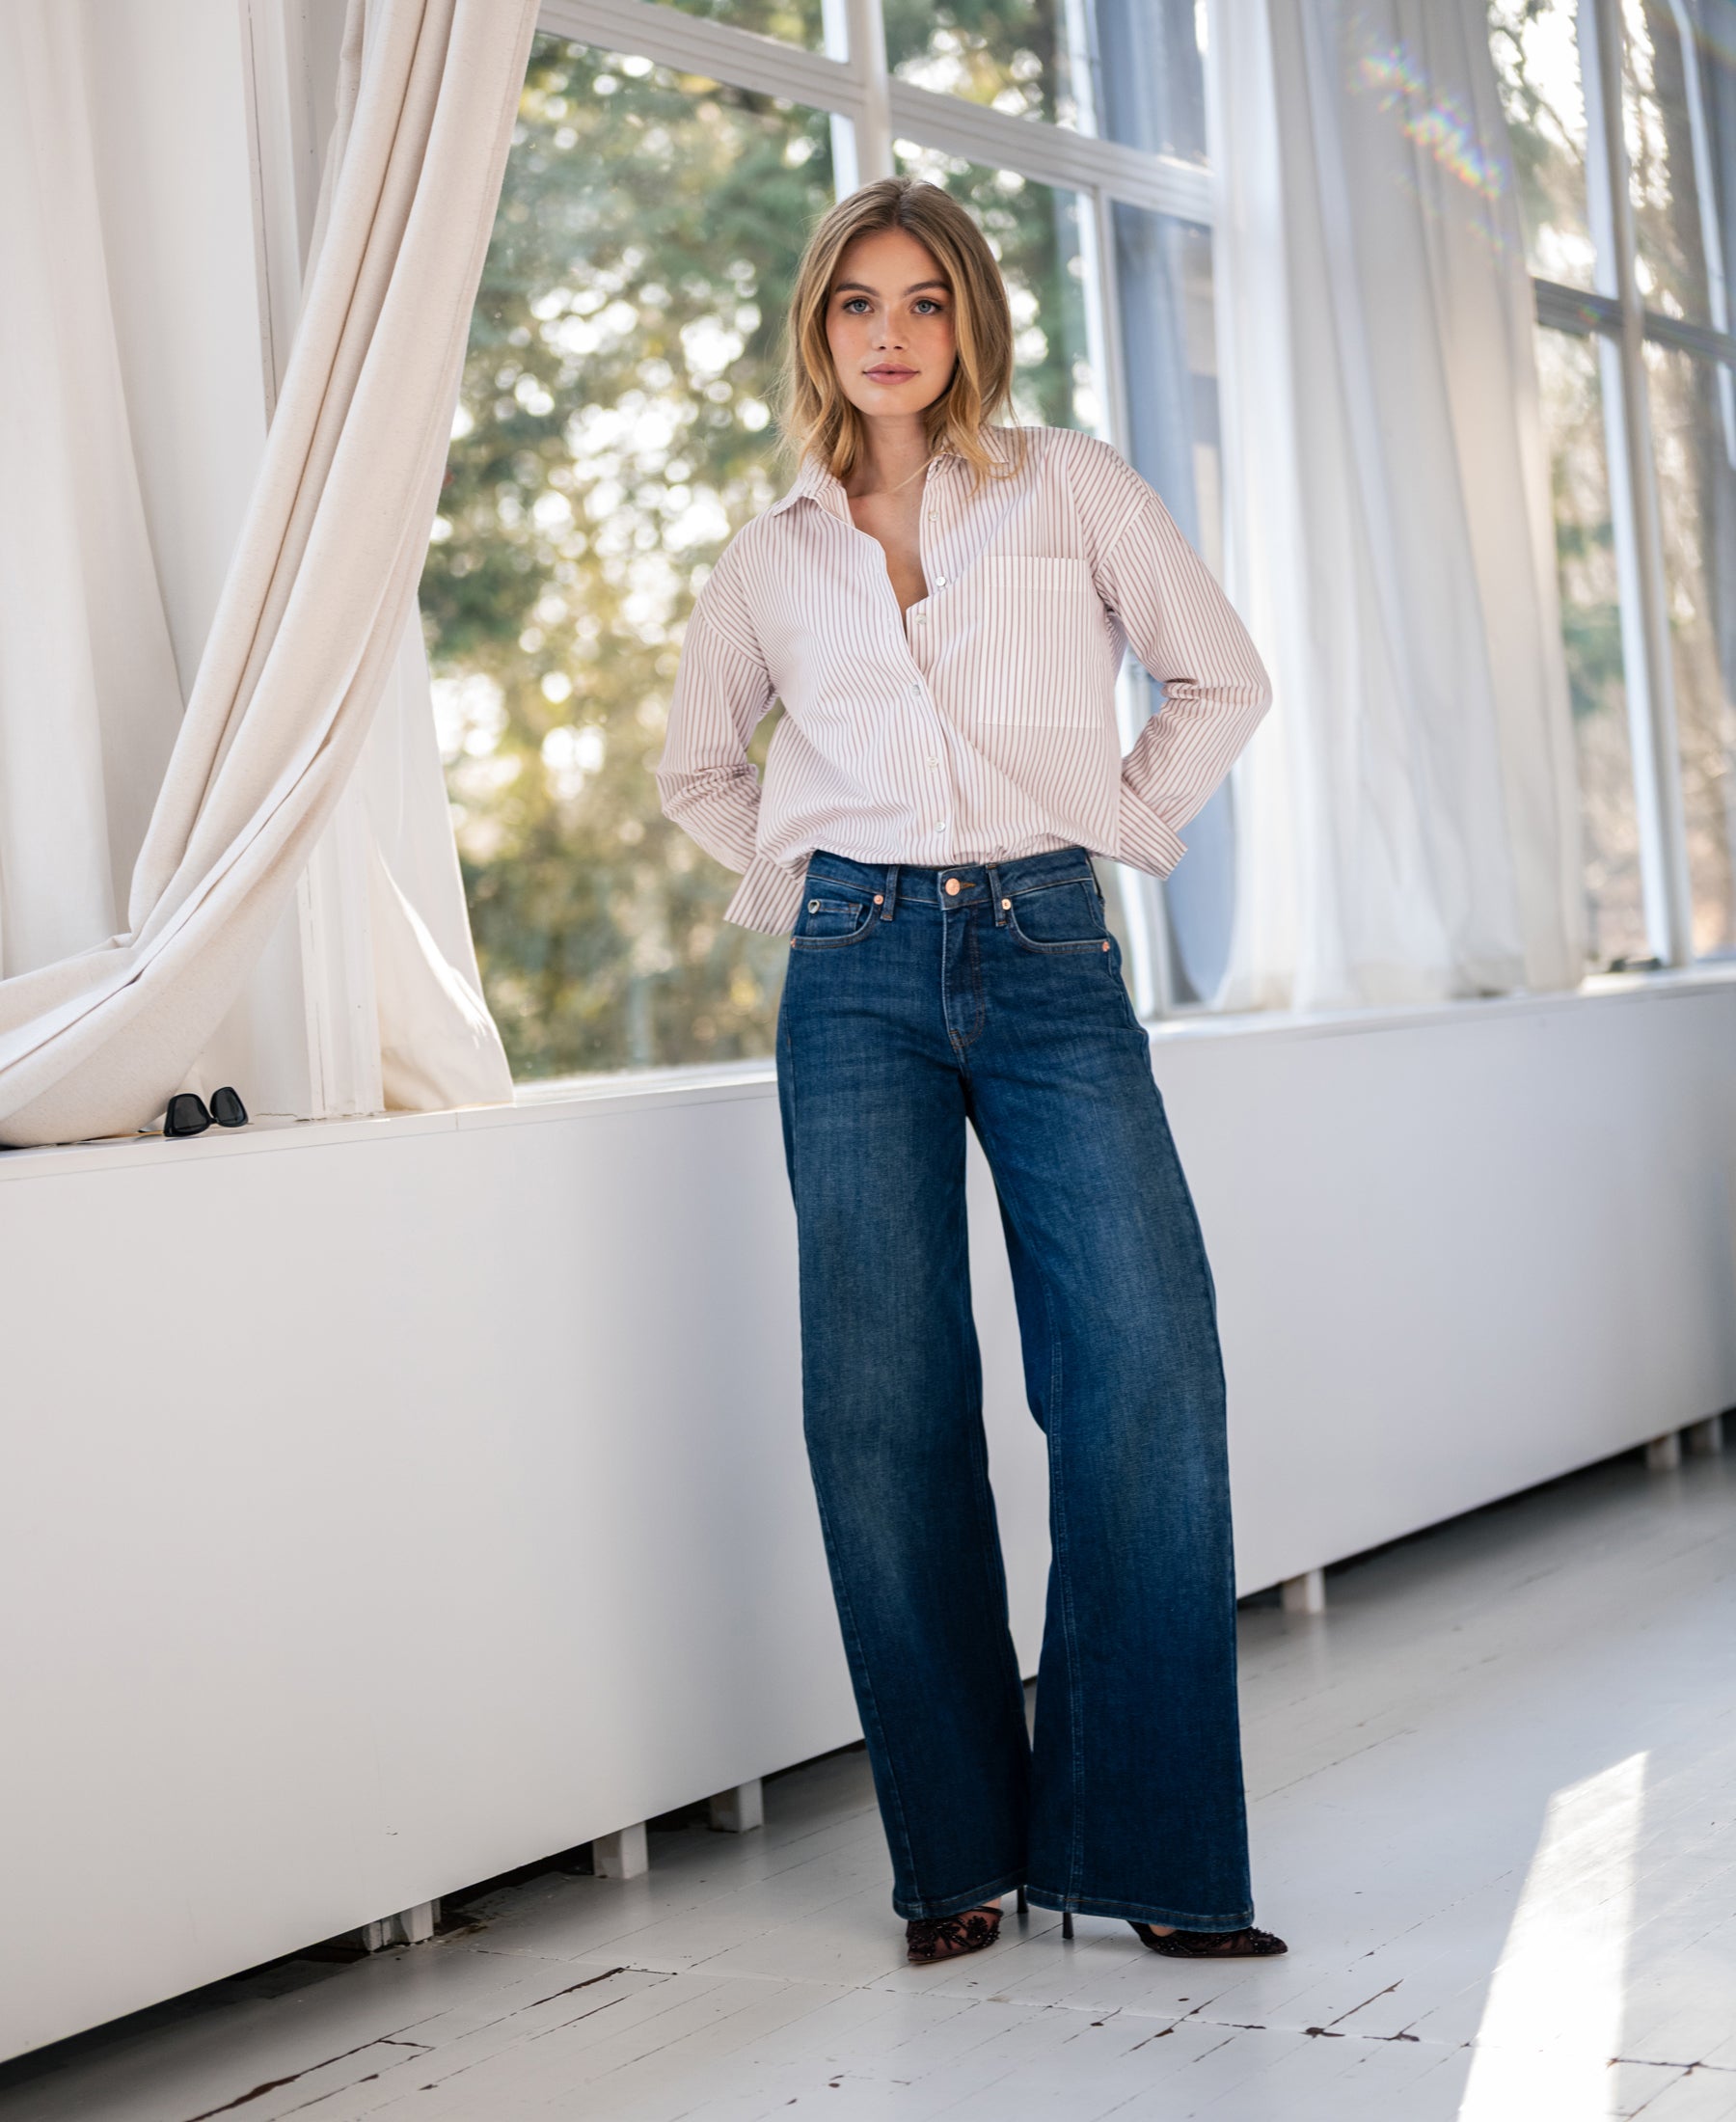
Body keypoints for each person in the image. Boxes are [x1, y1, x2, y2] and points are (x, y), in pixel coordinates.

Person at [657, 177, 1282, 1968]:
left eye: (925, 301)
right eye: (859, 302)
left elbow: (1216, 678)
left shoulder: (1068, 486)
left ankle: (1150, 1846)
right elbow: (702, 769)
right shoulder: (770, 555)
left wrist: (1118, 824)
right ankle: (957, 1859)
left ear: (971, 321)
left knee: (1146, 1373)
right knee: (883, 1409)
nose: (892, 333)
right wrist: (804, 884)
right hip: (850, 978)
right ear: (819, 327)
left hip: (1047, 947)